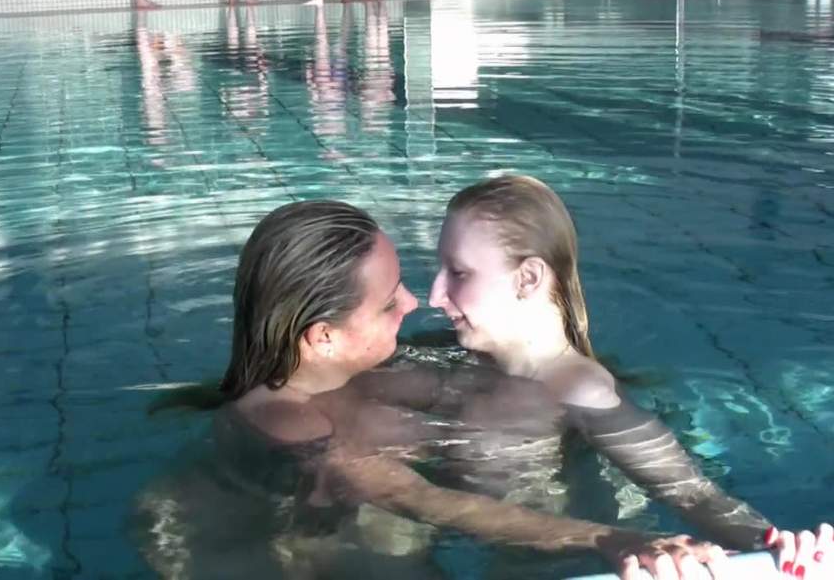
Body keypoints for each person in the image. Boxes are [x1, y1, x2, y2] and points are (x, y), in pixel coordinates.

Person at [133, 200, 728, 580]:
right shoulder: (292, 425)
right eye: (389, 302)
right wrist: (610, 537)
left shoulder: (334, 377)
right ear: (323, 337)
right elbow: (427, 502)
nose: (415, 301)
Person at [395, 174, 831, 579]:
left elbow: (688, 490)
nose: (434, 294)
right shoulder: (452, 356)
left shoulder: (580, 389)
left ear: (527, 278)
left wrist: (769, 542)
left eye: (458, 273)